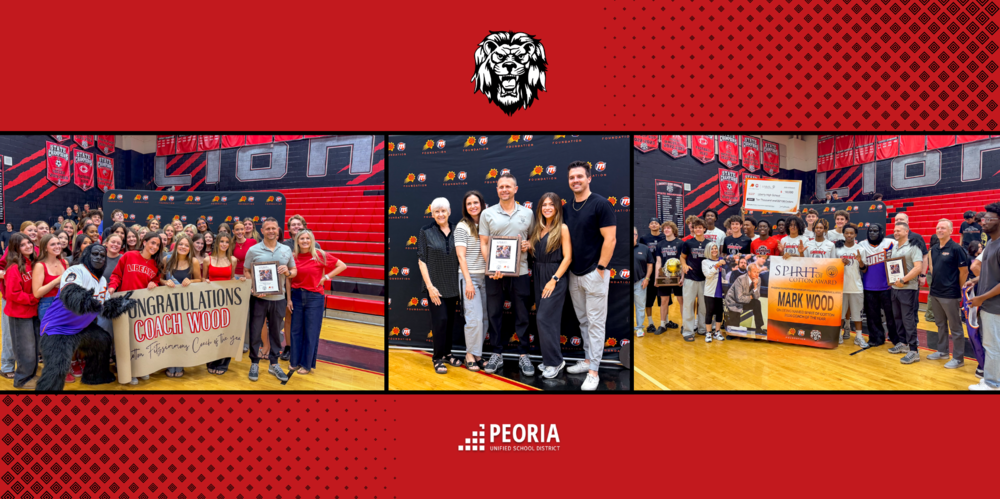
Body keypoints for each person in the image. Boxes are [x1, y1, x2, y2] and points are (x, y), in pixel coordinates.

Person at [36, 244, 135, 391]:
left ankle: (95, 376)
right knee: (57, 370)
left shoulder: (102, 281)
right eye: (95, 254)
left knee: (102, 340)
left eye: (102, 256)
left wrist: (119, 304)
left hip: (81, 328)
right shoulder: (76, 270)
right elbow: (71, 294)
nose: (99, 257)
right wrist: (90, 302)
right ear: (87, 256)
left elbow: (105, 308)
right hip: (58, 329)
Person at [562, 161, 617, 391]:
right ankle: (587, 361)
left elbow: (610, 239)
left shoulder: (601, 204)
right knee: (584, 321)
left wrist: (600, 268)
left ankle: (594, 371)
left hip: (595, 273)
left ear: (589, 178)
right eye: (572, 177)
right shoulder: (566, 208)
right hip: (574, 274)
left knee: (595, 324)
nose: (575, 180)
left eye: (579, 176)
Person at [479, 173, 534, 376]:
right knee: (494, 313)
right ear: (497, 190)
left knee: (522, 314)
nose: (504, 190)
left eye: (508, 186)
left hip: (520, 272)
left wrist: (528, 245)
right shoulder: (487, 214)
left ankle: (523, 354)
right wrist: (491, 267)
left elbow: (533, 239)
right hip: (495, 274)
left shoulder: (528, 213)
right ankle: (496, 353)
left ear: (515, 189)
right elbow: (484, 243)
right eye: (501, 186)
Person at [242, 218, 297, 382]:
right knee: (255, 331)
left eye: (274, 228)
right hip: (259, 298)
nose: (271, 231)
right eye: (268, 228)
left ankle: (274, 363)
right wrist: (253, 287)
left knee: (275, 332)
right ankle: (254, 362)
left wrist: (288, 272)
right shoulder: (253, 250)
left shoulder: (286, 249)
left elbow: (294, 270)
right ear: (262, 230)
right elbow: (246, 270)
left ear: (278, 230)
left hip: (279, 298)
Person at [107, 231, 163, 384]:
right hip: (124, 303)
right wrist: (112, 287)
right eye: (152, 243)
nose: (155, 247)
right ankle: (128, 371)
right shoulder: (129, 255)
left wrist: (154, 284)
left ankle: (140, 369)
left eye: (158, 245)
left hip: (142, 306)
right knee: (126, 339)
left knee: (140, 338)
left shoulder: (156, 264)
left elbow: (156, 280)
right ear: (144, 242)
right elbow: (116, 275)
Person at [289, 229, 345, 375]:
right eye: (302, 238)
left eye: (307, 238)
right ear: (297, 241)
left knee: (311, 331)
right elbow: (289, 280)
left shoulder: (320, 255)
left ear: (312, 240)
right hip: (296, 296)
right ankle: (294, 361)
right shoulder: (293, 257)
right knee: (295, 330)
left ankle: (306, 364)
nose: (305, 241)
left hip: (314, 297)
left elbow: (342, 265)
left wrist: (326, 277)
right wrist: (288, 299)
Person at [418, 198, 462, 375]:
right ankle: (437, 357)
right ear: (432, 214)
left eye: (443, 211)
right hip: (435, 286)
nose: (440, 214)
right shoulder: (425, 231)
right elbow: (422, 260)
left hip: (453, 284)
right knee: (440, 320)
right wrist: (429, 286)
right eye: (437, 211)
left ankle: (448, 353)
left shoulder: (458, 229)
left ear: (449, 212)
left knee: (450, 322)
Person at [925, 219, 969, 369]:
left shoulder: (956, 248)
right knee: (940, 324)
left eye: (943, 228)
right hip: (935, 292)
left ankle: (958, 358)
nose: (940, 230)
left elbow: (964, 272)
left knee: (955, 327)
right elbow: (932, 269)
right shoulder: (933, 249)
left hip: (950, 294)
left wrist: (958, 289)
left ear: (951, 231)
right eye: (938, 228)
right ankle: (942, 351)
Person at [159, 234, 204, 378]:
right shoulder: (167, 260)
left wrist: (191, 281)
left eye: (186, 245)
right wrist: (165, 282)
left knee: (182, 335)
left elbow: (199, 280)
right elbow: (160, 279)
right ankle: (169, 363)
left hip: (186, 304)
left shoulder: (194, 261)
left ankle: (180, 364)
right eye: (181, 244)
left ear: (190, 248)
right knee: (169, 335)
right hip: (168, 304)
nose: (183, 247)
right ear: (176, 245)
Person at [455, 191, 489, 371]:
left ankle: (478, 355)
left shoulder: (487, 223)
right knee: (473, 319)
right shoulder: (462, 227)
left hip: (487, 278)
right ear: (465, 207)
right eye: (469, 204)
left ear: (482, 204)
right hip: (469, 278)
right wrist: (468, 281)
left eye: (476, 202)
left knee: (484, 319)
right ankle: (469, 354)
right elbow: (461, 257)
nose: (473, 206)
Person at [5, 233, 40, 389]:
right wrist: (34, 298)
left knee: (34, 347)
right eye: (23, 245)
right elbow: (13, 293)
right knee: (25, 349)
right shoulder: (14, 267)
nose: (28, 246)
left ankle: (31, 375)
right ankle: (21, 379)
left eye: (29, 243)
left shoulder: (33, 264)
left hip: (33, 311)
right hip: (19, 313)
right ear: (16, 248)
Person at [887, 221, 923, 364]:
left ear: (906, 231)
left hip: (908, 288)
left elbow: (918, 268)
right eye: (895, 230)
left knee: (908, 319)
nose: (895, 233)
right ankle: (903, 343)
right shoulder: (894, 246)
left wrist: (903, 279)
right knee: (898, 317)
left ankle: (914, 350)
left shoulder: (914, 246)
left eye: (899, 231)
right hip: (895, 288)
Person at [858, 223, 899, 348]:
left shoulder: (891, 243)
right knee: (872, 315)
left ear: (881, 232)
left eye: (875, 231)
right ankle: (876, 338)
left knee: (891, 315)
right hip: (869, 286)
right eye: (870, 231)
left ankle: (896, 338)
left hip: (888, 286)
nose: (872, 233)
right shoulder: (862, 245)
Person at [836, 224, 867, 346]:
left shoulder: (860, 249)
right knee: (840, 314)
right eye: (847, 233)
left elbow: (864, 269)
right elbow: (831, 267)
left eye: (851, 233)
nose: (849, 235)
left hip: (856, 286)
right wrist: (840, 264)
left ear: (855, 235)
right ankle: (838, 335)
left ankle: (859, 337)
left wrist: (860, 261)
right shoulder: (838, 249)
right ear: (843, 234)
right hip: (840, 287)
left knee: (857, 314)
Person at [680, 217, 709, 341]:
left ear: (704, 229)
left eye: (700, 228)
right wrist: (684, 265)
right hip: (690, 278)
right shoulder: (688, 243)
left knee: (703, 306)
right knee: (688, 305)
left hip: (705, 279)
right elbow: (682, 257)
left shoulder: (709, 244)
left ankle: (702, 329)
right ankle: (688, 331)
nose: (698, 229)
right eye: (696, 228)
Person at [653, 221, 683, 334]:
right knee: (664, 300)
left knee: (681, 300)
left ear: (673, 230)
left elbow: (682, 261)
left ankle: (685, 325)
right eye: (664, 228)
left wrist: (683, 277)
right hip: (664, 277)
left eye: (668, 228)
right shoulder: (660, 244)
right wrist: (656, 278)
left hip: (677, 276)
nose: (666, 230)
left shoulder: (680, 243)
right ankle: (662, 325)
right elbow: (658, 262)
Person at [231, 221, 256, 354]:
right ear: (233, 231)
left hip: (248, 278)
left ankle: (246, 342)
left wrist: (251, 280)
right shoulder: (230, 244)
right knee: (236, 313)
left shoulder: (252, 242)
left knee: (247, 313)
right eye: (237, 229)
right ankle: (234, 340)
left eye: (242, 229)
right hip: (234, 279)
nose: (240, 232)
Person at [638, 217, 665, 334]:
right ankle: (650, 323)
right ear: (649, 226)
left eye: (656, 223)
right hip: (649, 272)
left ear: (660, 226)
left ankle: (665, 322)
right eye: (652, 223)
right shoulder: (644, 238)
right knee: (648, 299)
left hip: (663, 272)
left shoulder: (664, 237)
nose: (654, 225)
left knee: (664, 298)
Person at [724, 262, 765, 337]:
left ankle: (759, 328)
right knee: (733, 332)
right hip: (733, 302)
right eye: (754, 272)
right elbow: (739, 298)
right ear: (749, 272)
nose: (757, 274)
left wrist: (755, 286)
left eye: (758, 272)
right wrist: (751, 297)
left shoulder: (758, 279)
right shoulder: (740, 279)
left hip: (745, 301)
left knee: (757, 303)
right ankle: (728, 324)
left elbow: (756, 297)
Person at [701, 241, 726, 342]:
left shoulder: (722, 260)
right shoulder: (705, 262)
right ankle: (708, 333)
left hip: (721, 290)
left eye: (715, 248)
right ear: (708, 250)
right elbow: (708, 275)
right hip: (710, 291)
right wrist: (717, 265)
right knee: (709, 312)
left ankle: (717, 332)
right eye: (712, 249)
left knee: (720, 312)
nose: (714, 250)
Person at [633, 227, 652, 338]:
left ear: (637, 235)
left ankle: (639, 328)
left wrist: (647, 278)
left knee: (640, 306)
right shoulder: (621, 248)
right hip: (624, 283)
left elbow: (650, 264)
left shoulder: (644, 248)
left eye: (634, 234)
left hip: (640, 282)